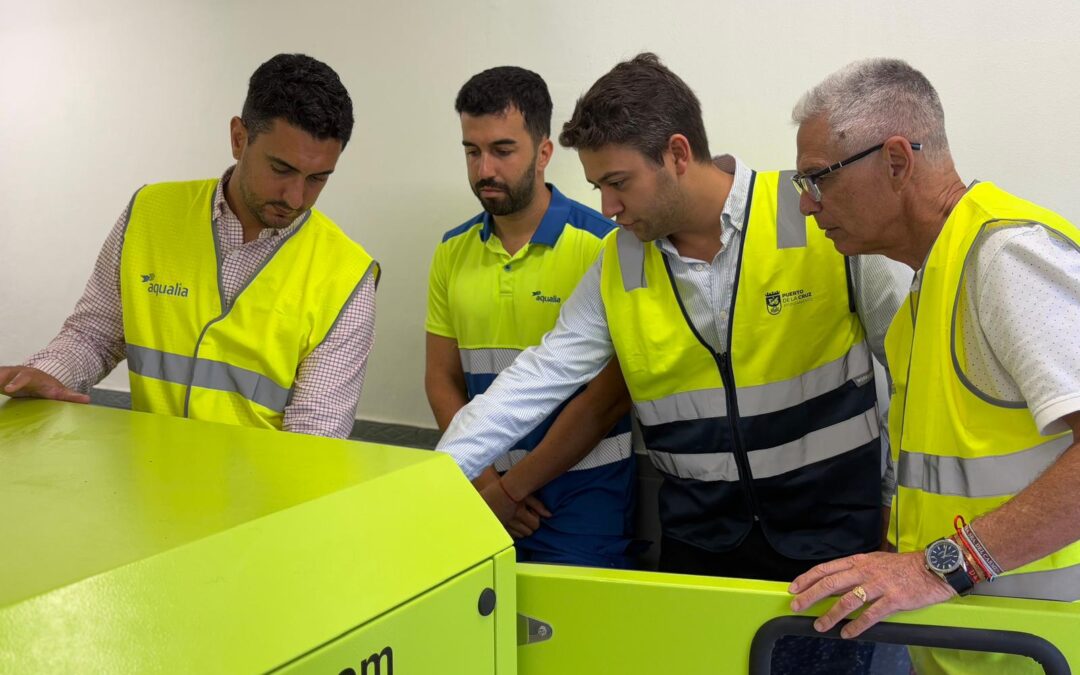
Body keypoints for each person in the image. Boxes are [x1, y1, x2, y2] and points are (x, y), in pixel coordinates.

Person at [436, 53, 909, 673]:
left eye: (618, 182)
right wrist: (432, 483)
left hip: (834, 557)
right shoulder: (619, 263)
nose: (606, 206)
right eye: (598, 186)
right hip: (702, 557)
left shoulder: (816, 216)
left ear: (678, 154)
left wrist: (903, 529)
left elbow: (909, 373)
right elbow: (536, 377)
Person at [787, 58, 1080, 674]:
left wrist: (934, 567)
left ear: (896, 161)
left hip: (1043, 655)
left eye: (818, 181)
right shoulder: (926, 294)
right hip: (982, 652)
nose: (809, 207)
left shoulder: (1005, 259)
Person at [0, 53, 378, 438]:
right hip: (145, 479)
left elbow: (314, 438)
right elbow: (94, 335)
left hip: (265, 495)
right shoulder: (149, 213)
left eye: (318, 179)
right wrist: (47, 373)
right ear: (238, 138)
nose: (296, 198)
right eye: (282, 169)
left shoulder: (348, 274)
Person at [426, 66, 636, 568]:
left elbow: (606, 399)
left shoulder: (605, 246)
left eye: (502, 150)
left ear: (544, 152)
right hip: (480, 491)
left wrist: (513, 491)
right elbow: (440, 378)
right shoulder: (451, 251)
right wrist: (485, 485)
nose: (483, 170)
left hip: (584, 499)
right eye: (471, 151)